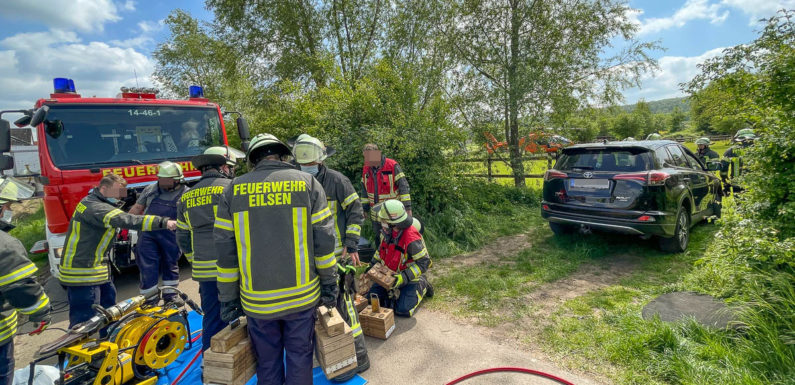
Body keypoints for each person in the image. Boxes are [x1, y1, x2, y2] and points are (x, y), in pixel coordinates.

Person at [214, 133, 338, 385]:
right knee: (299, 356)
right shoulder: (308, 183)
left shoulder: (233, 190)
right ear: (283, 156)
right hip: (302, 298)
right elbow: (324, 241)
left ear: (253, 160)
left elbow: (225, 252)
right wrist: (329, 283)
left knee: (267, 361)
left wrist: (228, 298)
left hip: (257, 302)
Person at [292, 134, 369, 380]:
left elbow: (356, 210)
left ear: (321, 160)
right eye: (304, 162)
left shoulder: (337, 181)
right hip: (305, 259)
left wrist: (351, 243)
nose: (308, 166)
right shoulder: (291, 181)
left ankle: (358, 358)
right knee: (315, 308)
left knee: (343, 305)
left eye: (310, 162)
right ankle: (329, 357)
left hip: (337, 257)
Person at [59, 173, 176, 330]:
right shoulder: (97, 208)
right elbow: (128, 220)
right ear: (104, 188)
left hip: (96, 269)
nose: (120, 196)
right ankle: (78, 345)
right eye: (117, 192)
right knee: (85, 321)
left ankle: (109, 337)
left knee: (109, 312)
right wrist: (164, 222)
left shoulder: (91, 201)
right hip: (83, 272)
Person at [175, 147, 237, 351]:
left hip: (205, 270)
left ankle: (208, 359)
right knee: (243, 311)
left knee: (212, 315)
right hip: (233, 265)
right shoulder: (232, 188)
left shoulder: (186, 197)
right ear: (223, 167)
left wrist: (195, 260)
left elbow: (182, 237)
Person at [0, 181, 52, 385]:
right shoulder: (5, 245)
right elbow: (21, 288)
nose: (9, 211)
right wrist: (41, 313)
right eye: (7, 206)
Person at [129, 161, 187, 304]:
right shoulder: (150, 189)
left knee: (170, 265)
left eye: (164, 179)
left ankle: (171, 297)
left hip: (171, 236)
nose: (160, 181)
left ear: (176, 180)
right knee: (147, 267)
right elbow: (137, 208)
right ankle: (150, 300)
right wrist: (124, 223)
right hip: (148, 235)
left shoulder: (186, 193)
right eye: (159, 178)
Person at [367, 199, 433, 317]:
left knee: (403, 310)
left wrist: (403, 277)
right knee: (372, 301)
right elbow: (380, 251)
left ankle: (423, 284)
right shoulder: (386, 233)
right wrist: (371, 266)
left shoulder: (411, 238)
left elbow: (424, 262)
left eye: (384, 221)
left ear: (394, 224)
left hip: (408, 278)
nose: (382, 224)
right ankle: (392, 294)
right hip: (389, 275)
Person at [360, 144, 411, 243]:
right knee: (379, 238)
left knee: (395, 237)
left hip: (392, 212)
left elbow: (404, 187)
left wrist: (408, 208)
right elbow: (364, 191)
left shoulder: (392, 165)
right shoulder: (366, 169)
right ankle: (380, 253)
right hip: (376, 214)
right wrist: (364, 209)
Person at [721, 128, 756, 194]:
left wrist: (724, 180)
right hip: (757, 183)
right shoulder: (760, 150)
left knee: (739, 199)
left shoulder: (731, 150)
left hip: (737, 183)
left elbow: (724, 166)